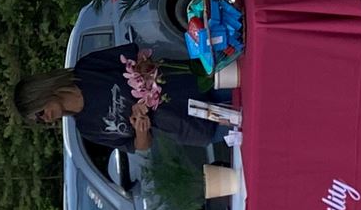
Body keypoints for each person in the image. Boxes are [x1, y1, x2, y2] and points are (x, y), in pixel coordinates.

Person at [14, 42, 241, 155]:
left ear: (40, 94)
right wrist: (141, 129)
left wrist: (143, 74)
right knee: (249, 123)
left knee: (250, 87)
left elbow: (138, 53)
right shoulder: (88, 128)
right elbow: (139, 147)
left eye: (39, 113)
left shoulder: (87, 69)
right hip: (193, 123)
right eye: (40, 121)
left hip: (192, 81)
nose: (45, 119)